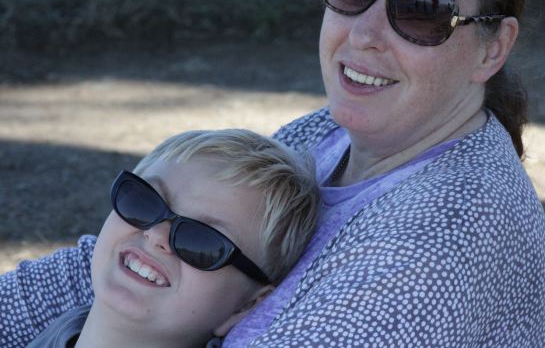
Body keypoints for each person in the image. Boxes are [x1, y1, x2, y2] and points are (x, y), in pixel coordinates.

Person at [1, 0, 545, 347]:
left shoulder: (438, 243)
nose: (363, 34)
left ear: (492, 48)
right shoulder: (326, 138)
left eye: (421, 10)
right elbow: (94, 270)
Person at [0, 129, 319, 348]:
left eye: (201, 240)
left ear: (246, 305)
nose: (156, 235)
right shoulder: (58, 329)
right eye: (145, 202)